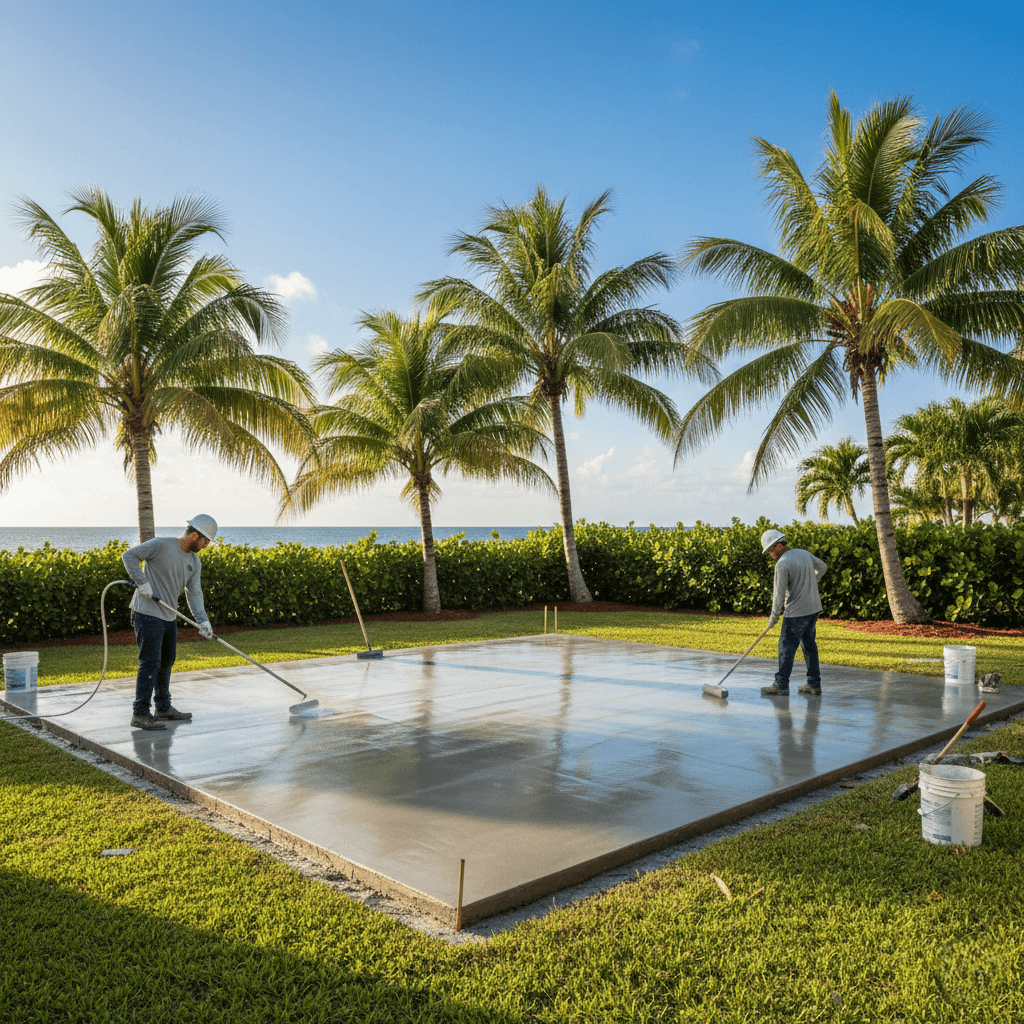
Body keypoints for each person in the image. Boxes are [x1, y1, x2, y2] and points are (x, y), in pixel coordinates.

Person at [121, 515, 217, 730]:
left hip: (168, 616)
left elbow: (194, 593)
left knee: (166, 661)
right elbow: (129, 556)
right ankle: (140, 713)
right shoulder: (160, 545)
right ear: (195, 536)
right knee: (150, 662)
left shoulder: (195, 562)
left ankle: (163, 707)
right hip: (146, 612)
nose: (207, 545)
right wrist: (142, 583)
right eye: (206, 541)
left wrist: (203, 621)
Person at [758, 529, 827, 697]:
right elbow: (823, 567)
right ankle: (814, 684)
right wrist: (813, 580)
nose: (771, 555)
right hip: (813, 609)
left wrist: (773, 617)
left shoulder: (782, 564)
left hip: (796, 613)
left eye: (771, 550)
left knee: (786, 648)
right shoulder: (804, 553)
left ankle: (781, 685)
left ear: (779, 545)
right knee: (809, 646)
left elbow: (778, 595)